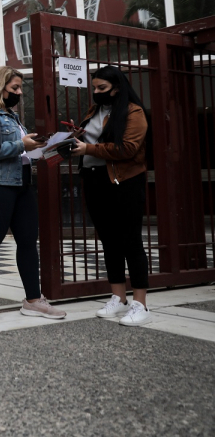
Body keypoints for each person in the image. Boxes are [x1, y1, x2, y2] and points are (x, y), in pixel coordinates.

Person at [70, 65, 151, 326]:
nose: (97, 92)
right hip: (95, 181)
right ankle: (119, 298)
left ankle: (141, 304)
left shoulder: (133, 112)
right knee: (109, 241)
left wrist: (88, 148)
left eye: (102, 88)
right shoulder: (95, 111)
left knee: (130, 241)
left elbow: (127, 148)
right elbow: (91, 143)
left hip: (124, 181)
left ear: (117, 88)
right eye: (94, 88)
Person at [0, 66, 66, 320]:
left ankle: (33, 300)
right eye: (14, 88)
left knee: (28, 242)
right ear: (0, 87)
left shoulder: (12, 115)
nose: (19, 92)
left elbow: (21, 151)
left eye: (20, 88)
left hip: (22, 184)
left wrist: (45, 147)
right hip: (1, 186)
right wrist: (22, 144)